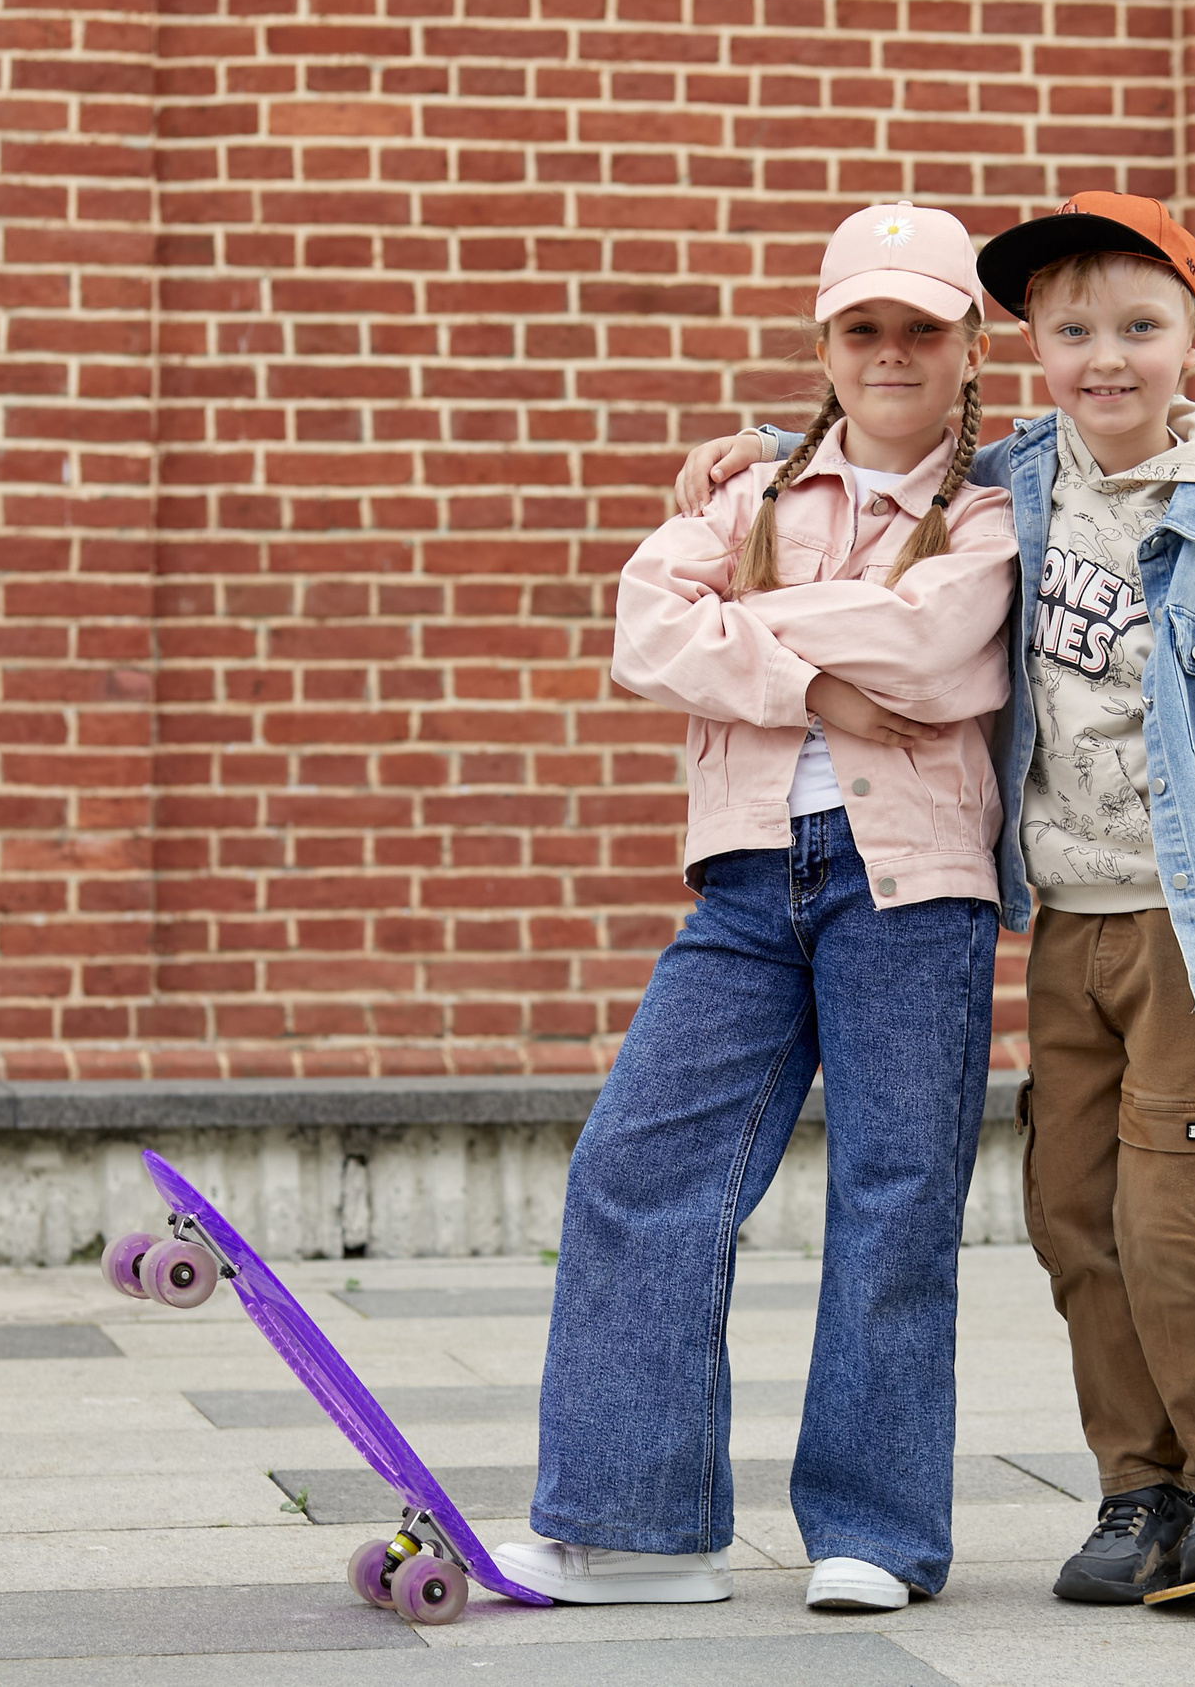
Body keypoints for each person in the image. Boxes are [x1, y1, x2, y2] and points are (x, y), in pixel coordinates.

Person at [673, 193, 1195, 1603]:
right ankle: (1138, 1488)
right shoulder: (1022, 481)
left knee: (1186, 1214)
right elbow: (882, 445)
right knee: (1074, 1213)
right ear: (1033, 347)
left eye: (1139, 328)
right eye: (1072, 331)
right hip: (1064, 923)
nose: (1105, 358)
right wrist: (755, 444)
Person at [498, 203, 1020, 1615]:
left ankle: (875, 1535)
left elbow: (933, 648)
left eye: (924, 329)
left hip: (911, 889)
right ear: (825, 344)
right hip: (743, 880)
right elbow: (642, 628)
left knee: (895, 1199)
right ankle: (632, 1529)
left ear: (973, 349)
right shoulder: (751, 493)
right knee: (634, 1168)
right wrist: (817, 686)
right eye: (865, 328)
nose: (893, 352)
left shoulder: (991, 513)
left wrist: (744, 633)